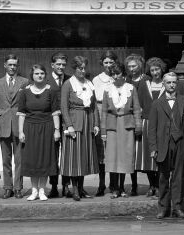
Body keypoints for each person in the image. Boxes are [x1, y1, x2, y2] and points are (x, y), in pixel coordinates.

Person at [148, 72, 184, 219]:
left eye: (174, 82)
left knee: (178, 177)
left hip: (179, 143)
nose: (171, 85)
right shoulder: (156, 103)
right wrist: (153, 148)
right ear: (163, 84)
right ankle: (163, 208)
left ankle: (177, 208)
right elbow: (152, 128)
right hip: (163, 144)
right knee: (163, 177)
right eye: (168, 82)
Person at [18, 63, 60, 201]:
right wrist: (21, 132)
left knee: (44, 159)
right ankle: (34, 190)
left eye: (42, 73)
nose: (39, 75)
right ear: (32, 75)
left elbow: (55, 113)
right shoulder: (24, 92)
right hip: (30, 129)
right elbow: (22, 114)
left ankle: (42, 190)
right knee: (33, 160)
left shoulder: (51, 91)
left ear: (45, 75)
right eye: (37, 73)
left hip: (47, 128)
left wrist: (56, 130)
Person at [60, 55, 100, 201]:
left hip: (87, 122)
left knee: (84, 156)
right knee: (74, 158)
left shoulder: (89, 83)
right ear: (74, 69)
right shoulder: (68, 84)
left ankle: (81, 188)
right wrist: (69, 125)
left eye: (84, 68)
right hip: (75, 122)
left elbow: (94, 106)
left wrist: (96, 123)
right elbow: (64, 107)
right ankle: (75, 188)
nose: (82, 71)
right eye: (79, 68)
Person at [101, 62, 142, 198]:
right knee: (113, 157)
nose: (115, 76)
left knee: (124, 157)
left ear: (123, 74)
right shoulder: (107, 90)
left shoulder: (131, 88)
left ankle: (122, 187)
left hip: (126, 125)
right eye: (113, 74)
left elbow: (136, 109)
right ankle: (114, 188)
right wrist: (103, 130)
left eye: (118, 73)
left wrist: (138, 126)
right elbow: (104, 111)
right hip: (112, 126)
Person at [0, 54, 29, 199]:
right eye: (10, 64)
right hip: (4, 124)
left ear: (17, 66)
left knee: (19, 160)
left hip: (19, 125)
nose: (12, 67)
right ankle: (7, 187)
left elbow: (26, 104)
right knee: (5, 160)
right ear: (5, 65)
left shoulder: (24, 82)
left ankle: (18, 187)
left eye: (15, 65)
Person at [136, 56, 165, 198]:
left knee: (159, 155)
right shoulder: (144, 84)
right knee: (147, 157)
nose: (155, 73)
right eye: (152, 70)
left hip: (161, 123)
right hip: (147, 122)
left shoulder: (166, 83)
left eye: (157, 69)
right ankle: (151, 185)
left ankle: (159, 186)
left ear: (161, 69)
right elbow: (139, 103)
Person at [92, 50, 118, 196]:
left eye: (111, 62)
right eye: (106, 62)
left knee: (113, 149)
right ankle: (101, 184)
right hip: (101, 113)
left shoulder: (119, 77)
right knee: (101, 151)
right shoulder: (97, 79)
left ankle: (114, 184)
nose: (108, 65)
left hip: (114, 114)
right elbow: (94, 101)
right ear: (102, 63)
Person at [45, 52, 69, 198]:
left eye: (63, 65)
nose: (61, 67)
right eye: (58, 64)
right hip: (50, 122)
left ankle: (66, 185)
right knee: (52, 155)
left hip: (67, 123)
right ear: (52, 65)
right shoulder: (45, 80)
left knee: (67, 155)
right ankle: (53, 186)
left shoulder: (70, 79)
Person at [125, 54, 146, 196]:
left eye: (134, 66)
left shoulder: (147, 80)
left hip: (144, 119)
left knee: (145, 152)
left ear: (140, 66)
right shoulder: (126, 80)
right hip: (130, 118)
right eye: (130, 66)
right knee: (131, 153)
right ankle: (134, 185)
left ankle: (153, 185)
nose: (132, 69)